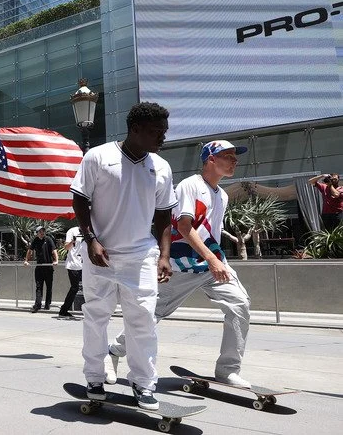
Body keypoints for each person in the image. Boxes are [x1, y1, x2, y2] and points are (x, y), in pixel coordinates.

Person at [106, 140, 253, 388]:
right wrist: (211, 258)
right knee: (151, 315)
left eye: (235, 157)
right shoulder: (190, 186)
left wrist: (216, 260)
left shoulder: (222, 195)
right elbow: (184, 227)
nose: (234, 161)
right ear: (211, 160)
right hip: (182, 266)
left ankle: (227, 370)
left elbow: (211, 233)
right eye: (228, 156)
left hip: (212, 265)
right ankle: (113, 351)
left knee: (240, 305)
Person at [70, 102, 177, 410]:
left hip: (141, 256)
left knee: (143, 321)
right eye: (157, 131)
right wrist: (90, 240)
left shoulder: (161, 167)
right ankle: (94, 376)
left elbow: (164, 217)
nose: (163, 137)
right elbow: (80, 200)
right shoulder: (99, 157)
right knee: (96, 317)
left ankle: (143, 384)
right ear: (135, 129)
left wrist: (164, 255)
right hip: (100, 255)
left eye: (164, 131)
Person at [23, 226, 58, 313]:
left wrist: (56, 260)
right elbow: (30, 250)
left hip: (48, 267)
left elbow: (54, 250)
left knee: (49, 286)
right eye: (40, 231)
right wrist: (26, 260)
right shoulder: (35, 240)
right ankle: (37, 305)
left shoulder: (48, 239)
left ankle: (47, 304)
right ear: (37, 233)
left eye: (43, 231)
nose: (42, 233)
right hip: (39, 267)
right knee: (39, 287)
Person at [58, 226, 85, 317]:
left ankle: (91, 311)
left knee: (89, 287)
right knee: (75, 288)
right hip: (73, 265)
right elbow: (66, 247)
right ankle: (64, 310)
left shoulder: (89, 230)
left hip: (85, 265)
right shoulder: (72, 231)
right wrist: (73, 241)